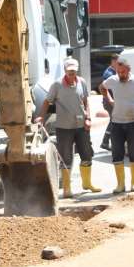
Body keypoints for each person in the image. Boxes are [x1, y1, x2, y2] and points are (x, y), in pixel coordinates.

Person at [35, 58, 101, 198]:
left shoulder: (81, 82)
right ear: (65, 71)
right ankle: (66, 188)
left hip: (81, 126)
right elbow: (47, 102)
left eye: (74, 72)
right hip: (64, 127)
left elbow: (85, 101)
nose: (72, 74)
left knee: (87, 153)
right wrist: (41, 116)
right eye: (70, 72)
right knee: (66, 158)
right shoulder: (57, 85)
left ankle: (87, 184)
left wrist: (88, 118)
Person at [100, 57, 134, 194]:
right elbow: (102, 87)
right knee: (117, 152)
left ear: (129, 70)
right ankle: (120, 184)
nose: (121, 74)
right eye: (118, 72)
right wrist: (109, 99)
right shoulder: (113, 79)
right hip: (117, 123)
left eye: (123, 72)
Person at [98, 53, 120, 150]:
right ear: (113, 61)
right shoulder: (109, 74)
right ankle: (105, 142)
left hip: (112, 101)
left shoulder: (114, 72)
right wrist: (111, 101)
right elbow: (106, 89)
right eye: (118, 62)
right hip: (109, 102)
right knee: (114, 121)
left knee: (114, 121)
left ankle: (106, 142)